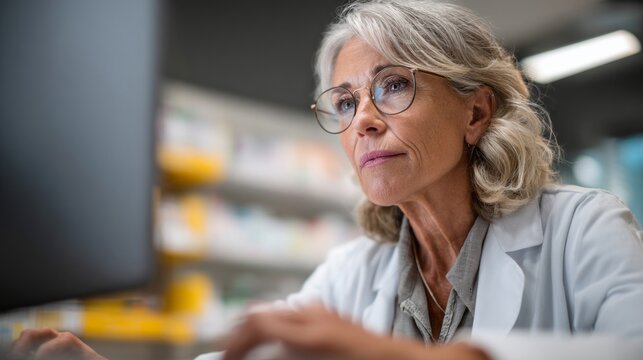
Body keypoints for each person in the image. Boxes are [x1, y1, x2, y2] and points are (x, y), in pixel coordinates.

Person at [9, 1, 643, 359]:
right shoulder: (351, 274)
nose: (362, 120)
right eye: (343, 102)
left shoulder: (584, 228)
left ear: (474, 111)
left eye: (393, 86)